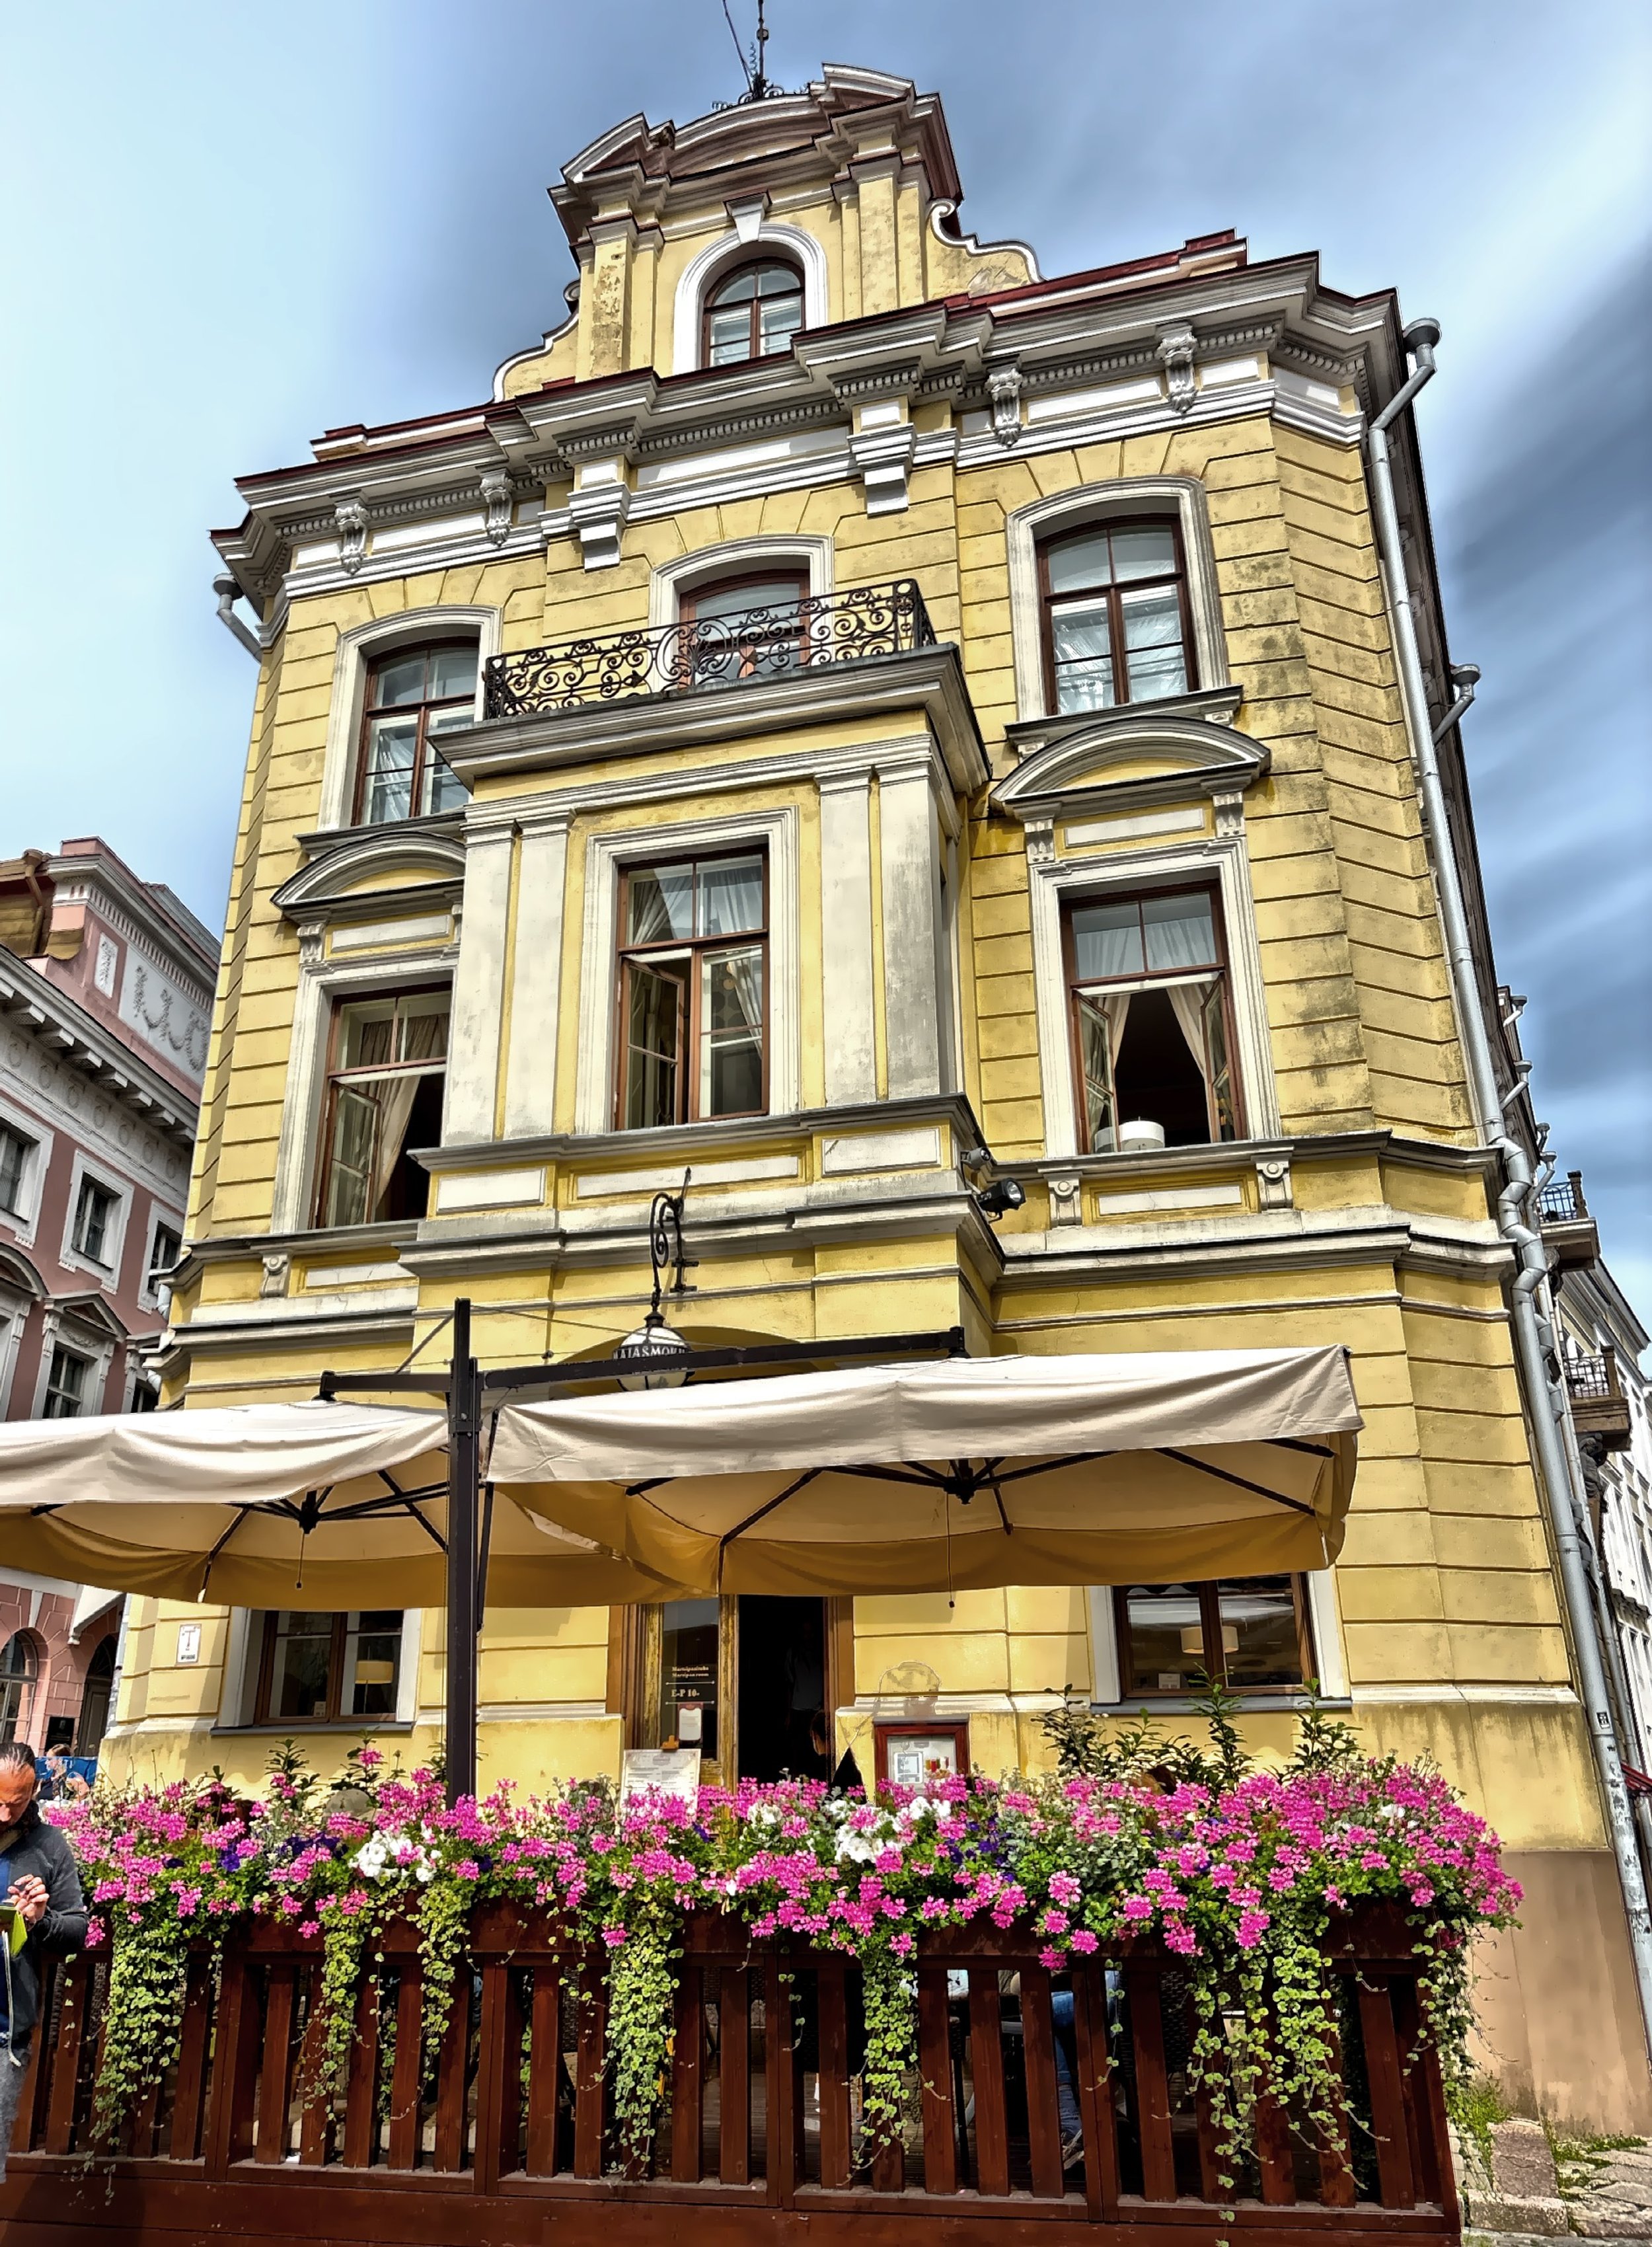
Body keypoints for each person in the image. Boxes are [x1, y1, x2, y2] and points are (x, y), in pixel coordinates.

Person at [0, 1740, 89, 2176]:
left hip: (3, 2037)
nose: (4, 1815)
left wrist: (40, 1920)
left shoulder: (50, 1846)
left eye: (17, 1804)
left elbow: (77, 1929)